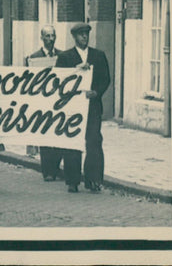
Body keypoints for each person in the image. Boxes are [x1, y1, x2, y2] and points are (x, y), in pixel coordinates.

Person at [56, 22, 111, 193]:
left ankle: (93, 179)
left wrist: (97, 92)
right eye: (81, 34)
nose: (84, 37)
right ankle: (72, 180)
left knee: (94, 141)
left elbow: (105, 78)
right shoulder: (65, 57)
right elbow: (59, 80)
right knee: (73, 142)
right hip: (73, 108)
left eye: (86, 33)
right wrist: (75, 70)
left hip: (93, 107)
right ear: (74, 37)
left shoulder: (98, 55)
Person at [26, 25, 63, 181]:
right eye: (47, 36)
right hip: (42, 102)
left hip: (58, 102)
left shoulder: (62, 56)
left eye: (53, 36)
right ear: (41, 38)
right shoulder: (34, 58)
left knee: (59, 135)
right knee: (45, 136)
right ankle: (47, 171)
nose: (50, 39)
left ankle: (55, 167)